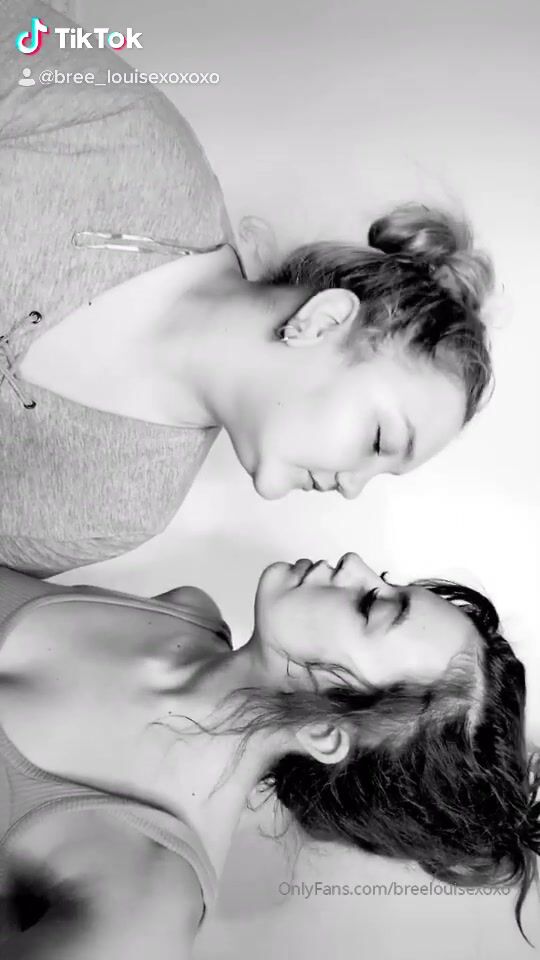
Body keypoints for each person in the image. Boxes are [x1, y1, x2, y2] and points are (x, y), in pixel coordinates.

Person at [0, 0, 494, 576]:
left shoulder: (113, 514)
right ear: (323, 322)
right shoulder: (128, 144)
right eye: (381, 440)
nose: (353, 489)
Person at [0, 554, 537, 957]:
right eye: (385, 581)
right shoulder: (186, 613)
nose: (354, 563)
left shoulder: (145, 899)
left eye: (371, 605)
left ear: (326, 732)